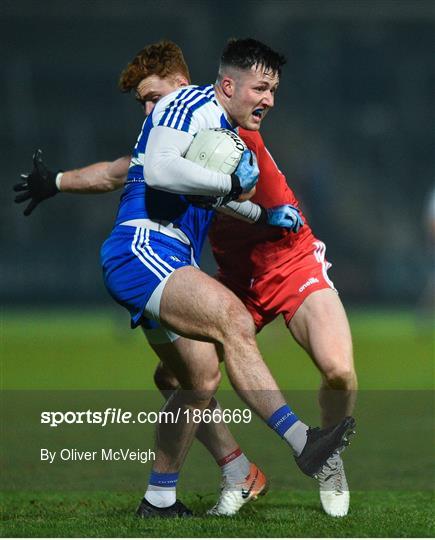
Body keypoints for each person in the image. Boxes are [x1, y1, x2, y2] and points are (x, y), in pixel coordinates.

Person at [15, 39, 356, 518]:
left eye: (155, 98)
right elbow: (157, 171)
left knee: (195, 377)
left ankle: (168, 496)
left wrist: (260, 213)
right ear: (223, 84)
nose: (151, 110)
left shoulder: (202, 123)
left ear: (179, 83)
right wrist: (233, 186)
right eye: (145, 103)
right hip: (146, 249)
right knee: (232, 322)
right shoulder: (186, 108)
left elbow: (144, 177)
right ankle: (305, 443)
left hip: (167, 258)